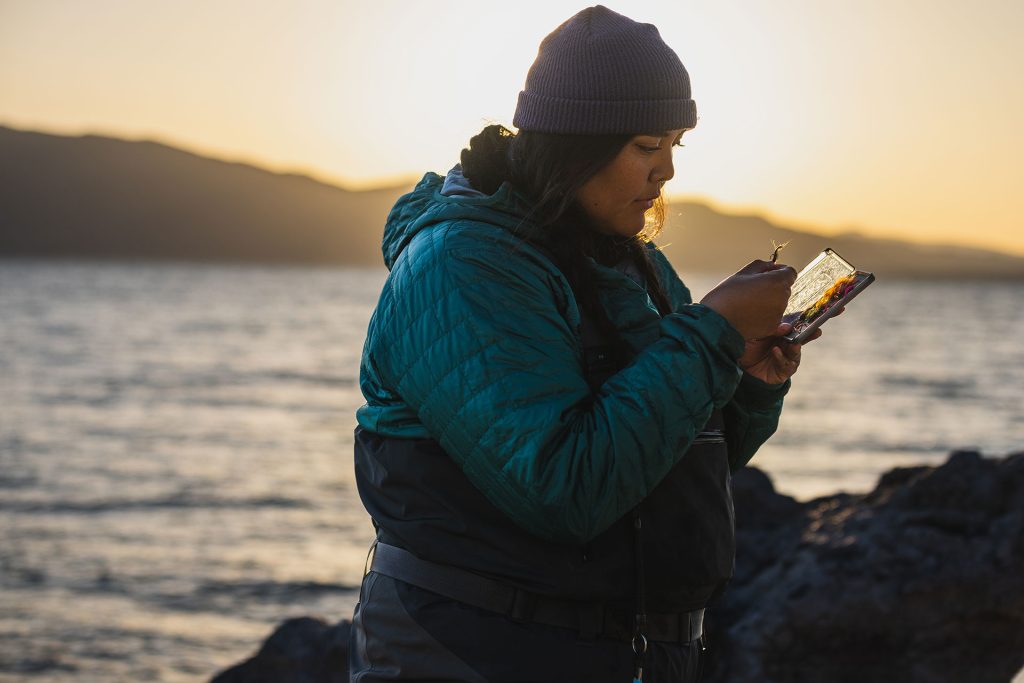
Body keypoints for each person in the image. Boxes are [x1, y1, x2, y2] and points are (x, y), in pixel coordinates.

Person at [350, 6, 809, 682]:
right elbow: (565, 488)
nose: (667, 173)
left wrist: (746, 376)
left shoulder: (626, 261)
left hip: (617, 654)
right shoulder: (462, 267)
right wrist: (709, 334)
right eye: (648, 147)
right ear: (576, 144)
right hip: (476, 654)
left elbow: (680, 464)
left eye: (676, 145)